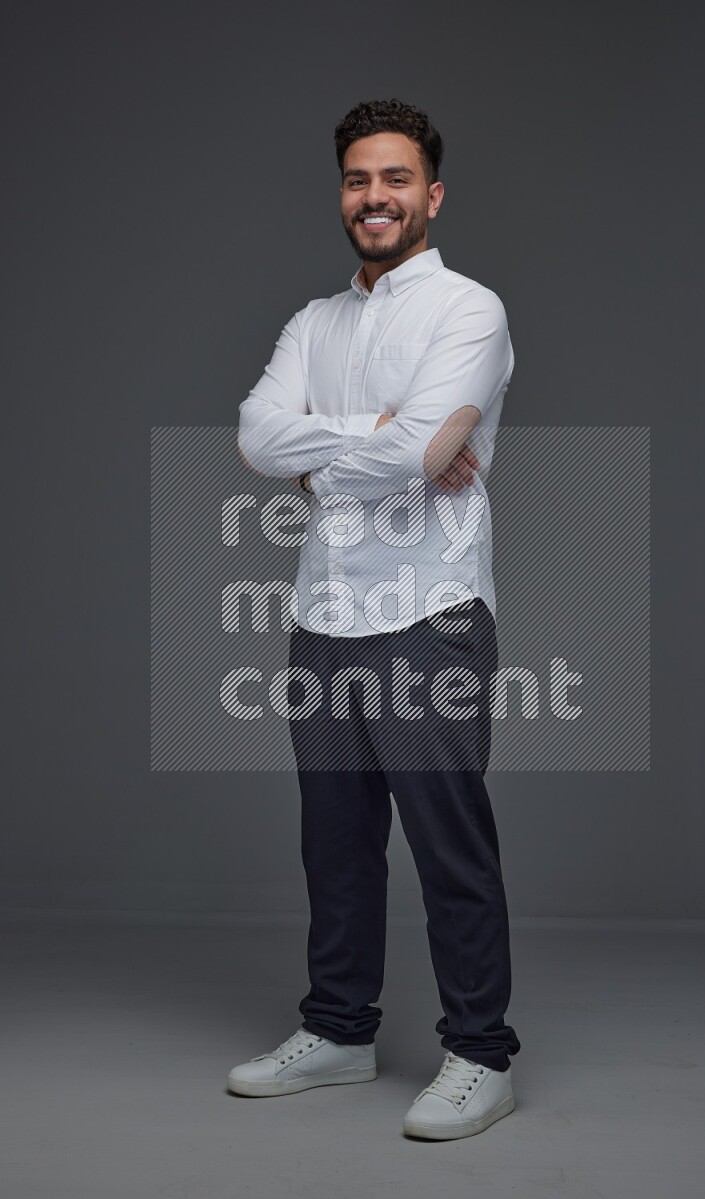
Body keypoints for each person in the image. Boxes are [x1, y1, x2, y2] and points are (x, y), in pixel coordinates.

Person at [229, 98, 520, 1140]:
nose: (375, 197)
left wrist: (342, 447)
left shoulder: (467, 312)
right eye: (358, 179)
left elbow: (421, 457)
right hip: (324, 613)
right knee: (335, 842)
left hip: (425, 612)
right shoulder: (313, 323)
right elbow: (256, 438)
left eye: (395, 179)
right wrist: (377, 432)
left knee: (449, 844)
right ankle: (339, 1029)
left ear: (430, 194)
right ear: (342, 193)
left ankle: (480, 1051)